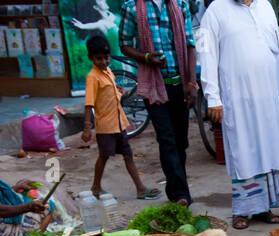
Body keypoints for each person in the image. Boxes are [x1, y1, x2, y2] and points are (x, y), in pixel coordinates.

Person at [200, 0, 279, 230]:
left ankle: (265, 206)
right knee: (243, 151)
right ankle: (242, 209)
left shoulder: (264, 6)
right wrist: (213, 98)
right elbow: (207, 55)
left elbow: (277, 51)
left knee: (268, 148)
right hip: (237, 99)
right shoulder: (215, 11)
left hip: (267, 96)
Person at [119, 0, 199, 207]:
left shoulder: (180, 5)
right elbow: (125, 44)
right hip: (154, 86)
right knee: (167, 139)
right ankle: (181, 194)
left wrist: (191, 82)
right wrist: (145, 57)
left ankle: (175, 190)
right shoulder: (132, 8)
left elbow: (190, 44)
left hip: (179, 84)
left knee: (181, 141)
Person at [81, 35, 159, 199]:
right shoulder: (92, 77)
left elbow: (112, 90)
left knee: (127, 155)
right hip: (106, 127)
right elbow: (89, 104)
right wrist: (87, 128)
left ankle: (140, 188)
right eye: (99, 58)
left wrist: (120, 91)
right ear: (91, 58)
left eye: (106, 58)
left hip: (119, 124)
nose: (103, 62)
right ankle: (96, 187)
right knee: (104, 156)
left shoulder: (108, 71)